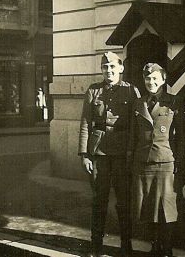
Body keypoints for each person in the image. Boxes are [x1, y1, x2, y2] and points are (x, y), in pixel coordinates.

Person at [78, 51, 140, 257]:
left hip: (122, 154)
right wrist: (84, 154)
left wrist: (131, 152)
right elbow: (86, 122)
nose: (109, 71)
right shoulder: (93, 91)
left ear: (121, 68)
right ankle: (96, 246)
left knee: (124, 201)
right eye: (105, 68)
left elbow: (135, 125)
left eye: (113, 67)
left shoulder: (131, 91)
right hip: (99, 153)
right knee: (99, 200)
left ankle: (126, 245)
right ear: (102, 70)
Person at [130, 63, 185, 257]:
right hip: (143, 161)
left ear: (163, 80)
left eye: (155, 78)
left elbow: (182, 135)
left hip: (165, 161)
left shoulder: (173, 102)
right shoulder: (138, 103)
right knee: (147, 207)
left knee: (165, 207)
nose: (151, 82)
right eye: (147, 79)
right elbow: (133, 135)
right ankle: (154, 247)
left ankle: (166, 249)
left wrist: (179, 161)